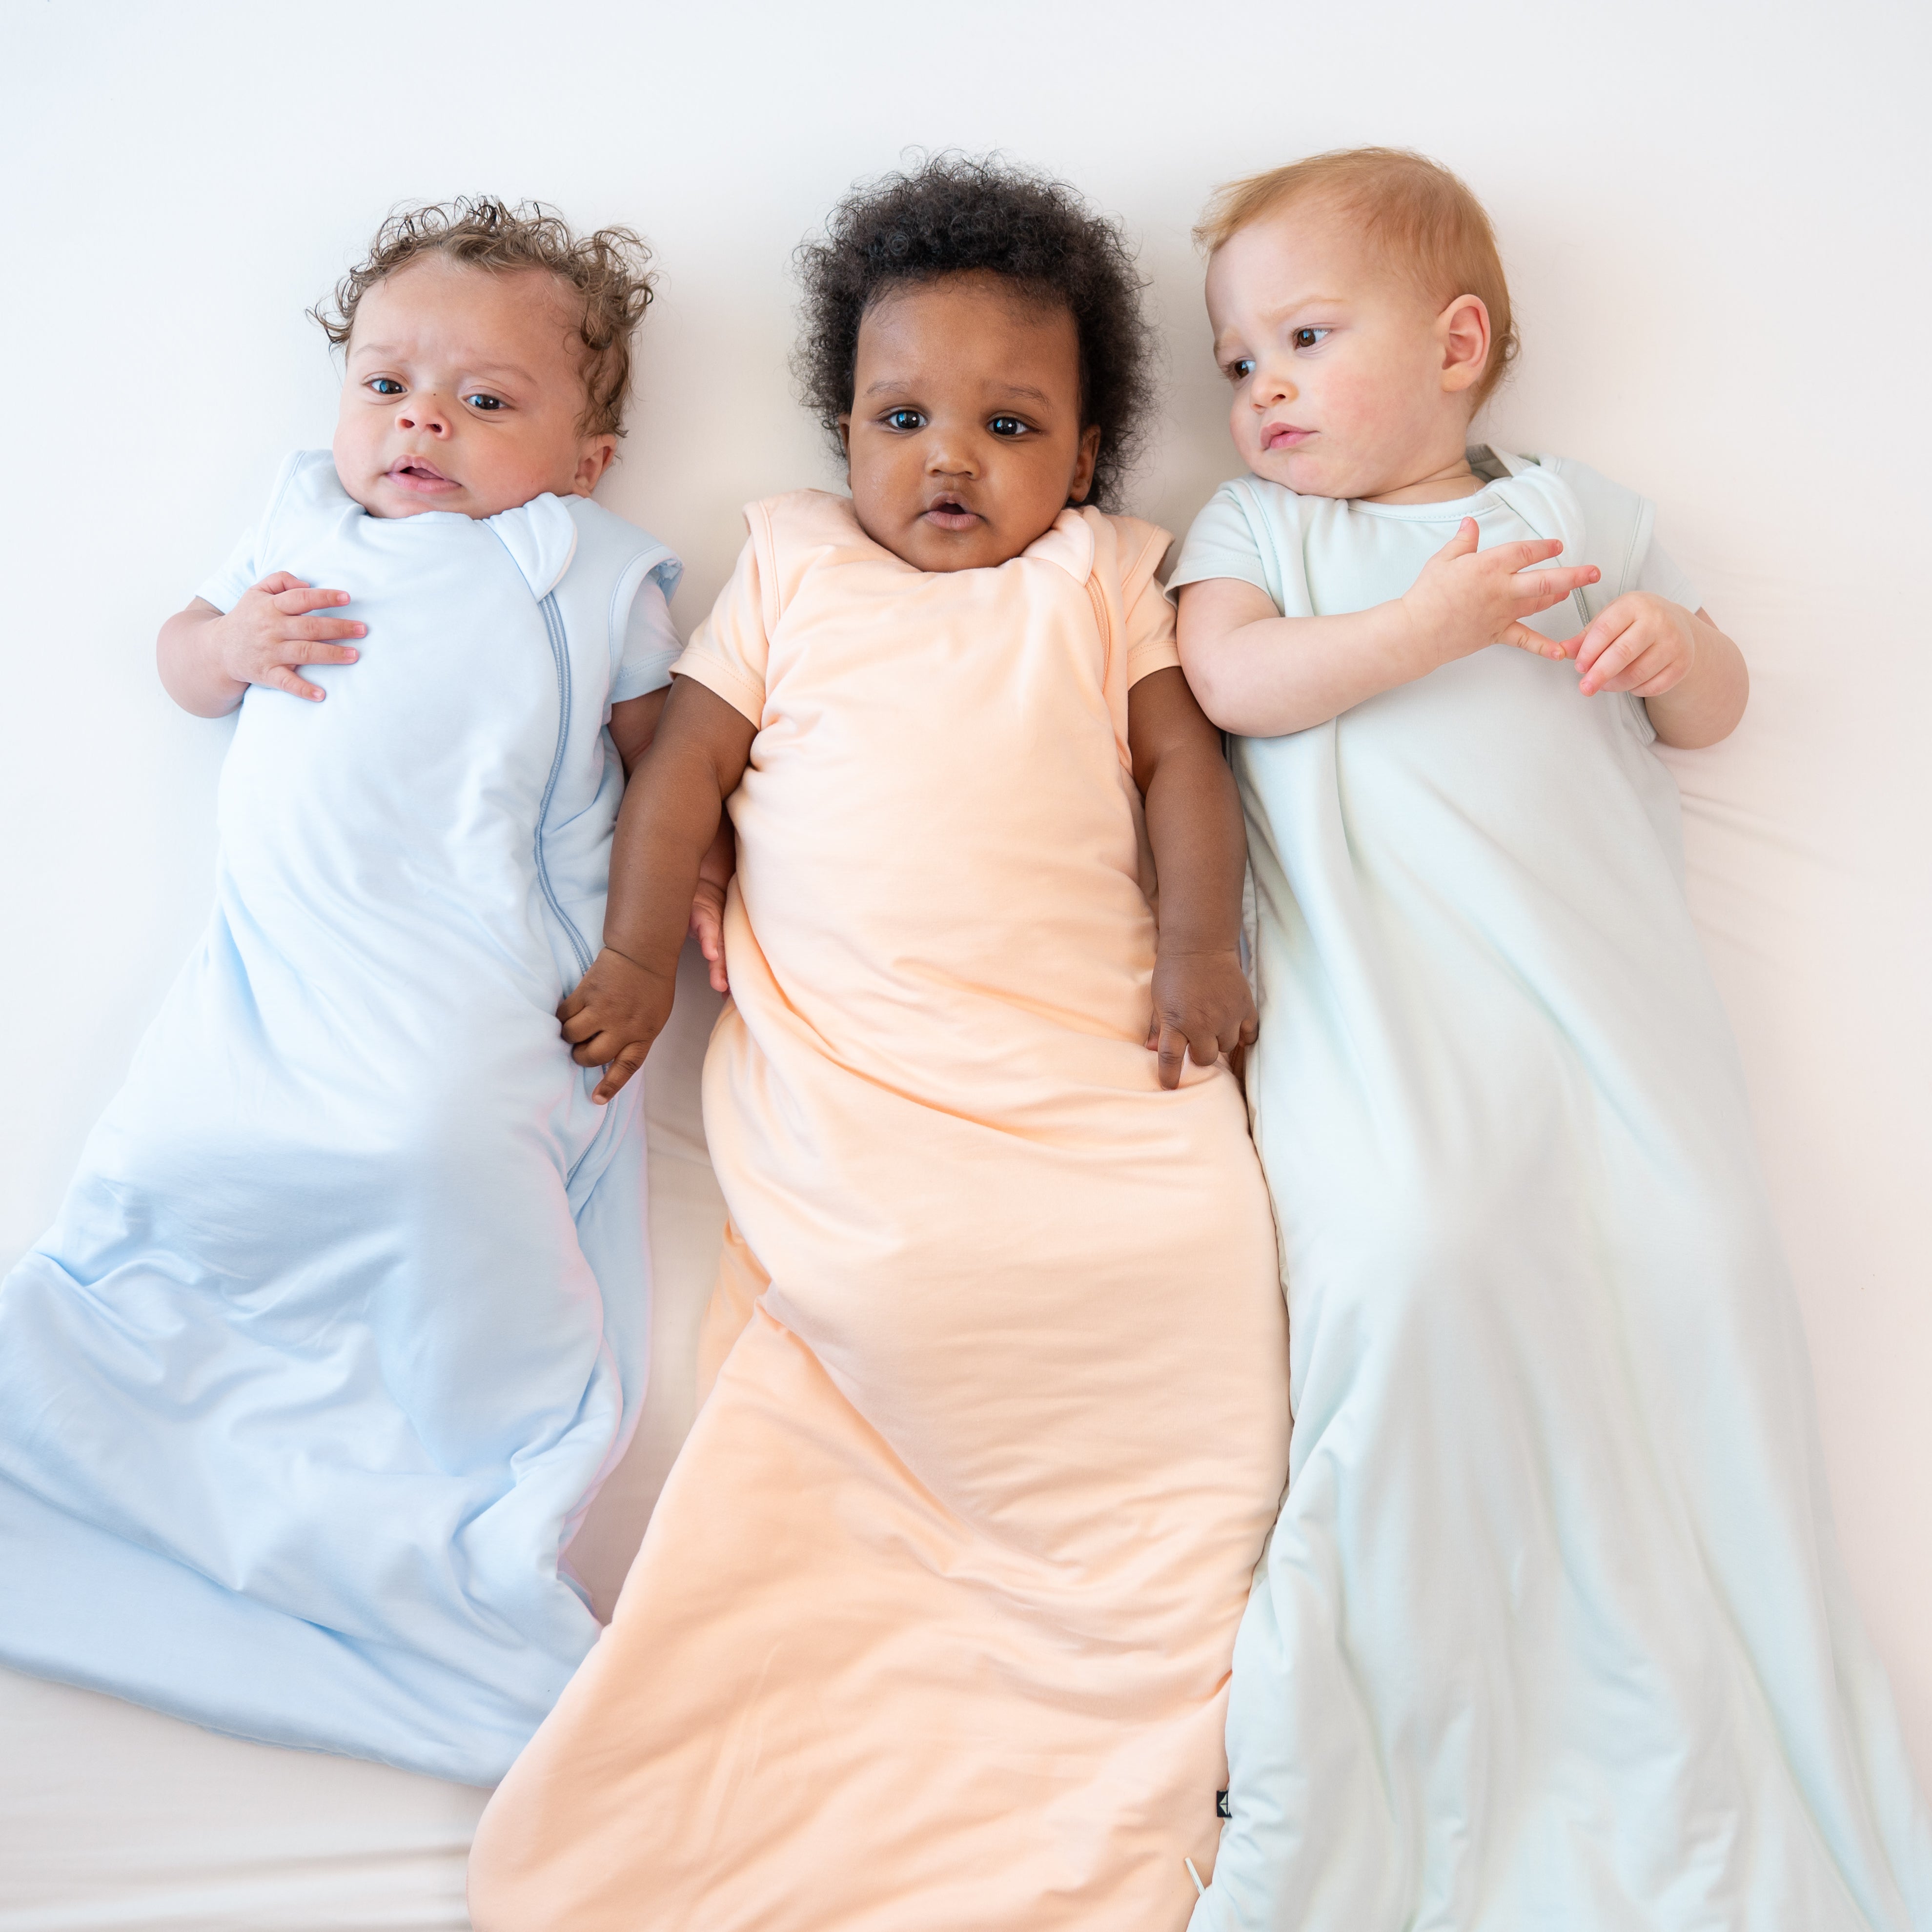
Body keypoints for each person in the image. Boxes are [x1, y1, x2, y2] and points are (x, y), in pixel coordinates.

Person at [467, 155, 1292, 1931]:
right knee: (888, 1346)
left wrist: (1204, 947)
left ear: (1080, 460)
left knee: (1195, 1354)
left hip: (1097, 1120)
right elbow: (681, 767)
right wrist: (634, 952)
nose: (949, 460)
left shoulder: (1103, 579)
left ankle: (1089, 1748)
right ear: (842, 425)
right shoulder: (788, 567)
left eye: (1009, 426)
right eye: (903, 414)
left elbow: (1180, 772)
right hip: (889, 1132)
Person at [1170, 146, 1932, 1929]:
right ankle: (1433, 1736)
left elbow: (1712, 714)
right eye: (1236, 360)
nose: (1261, 386)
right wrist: (1423, 622)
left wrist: (1675, 647)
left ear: (1456, 345)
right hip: (1391, 1022)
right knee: (1417, 1259)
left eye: (1302, 335)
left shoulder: (1581, 513)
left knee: (1700, 1269)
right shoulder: (1258, 534)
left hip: (1609, 1021)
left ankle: (1696, 1732)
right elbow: (1233, 685)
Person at [0, 197, 711, 1786]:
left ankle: (447, 1502)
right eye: (390, 384)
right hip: (275, 962)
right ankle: (101, 1447)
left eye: (487, 401)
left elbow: (666, 768)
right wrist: (229, 643)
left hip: (457, 961)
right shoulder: (297, 518)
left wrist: (647, 946)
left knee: (433, 1148)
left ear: (587, 458)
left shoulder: (583, 567)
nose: (423, 424)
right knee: (184, 1155)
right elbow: (181, 663)